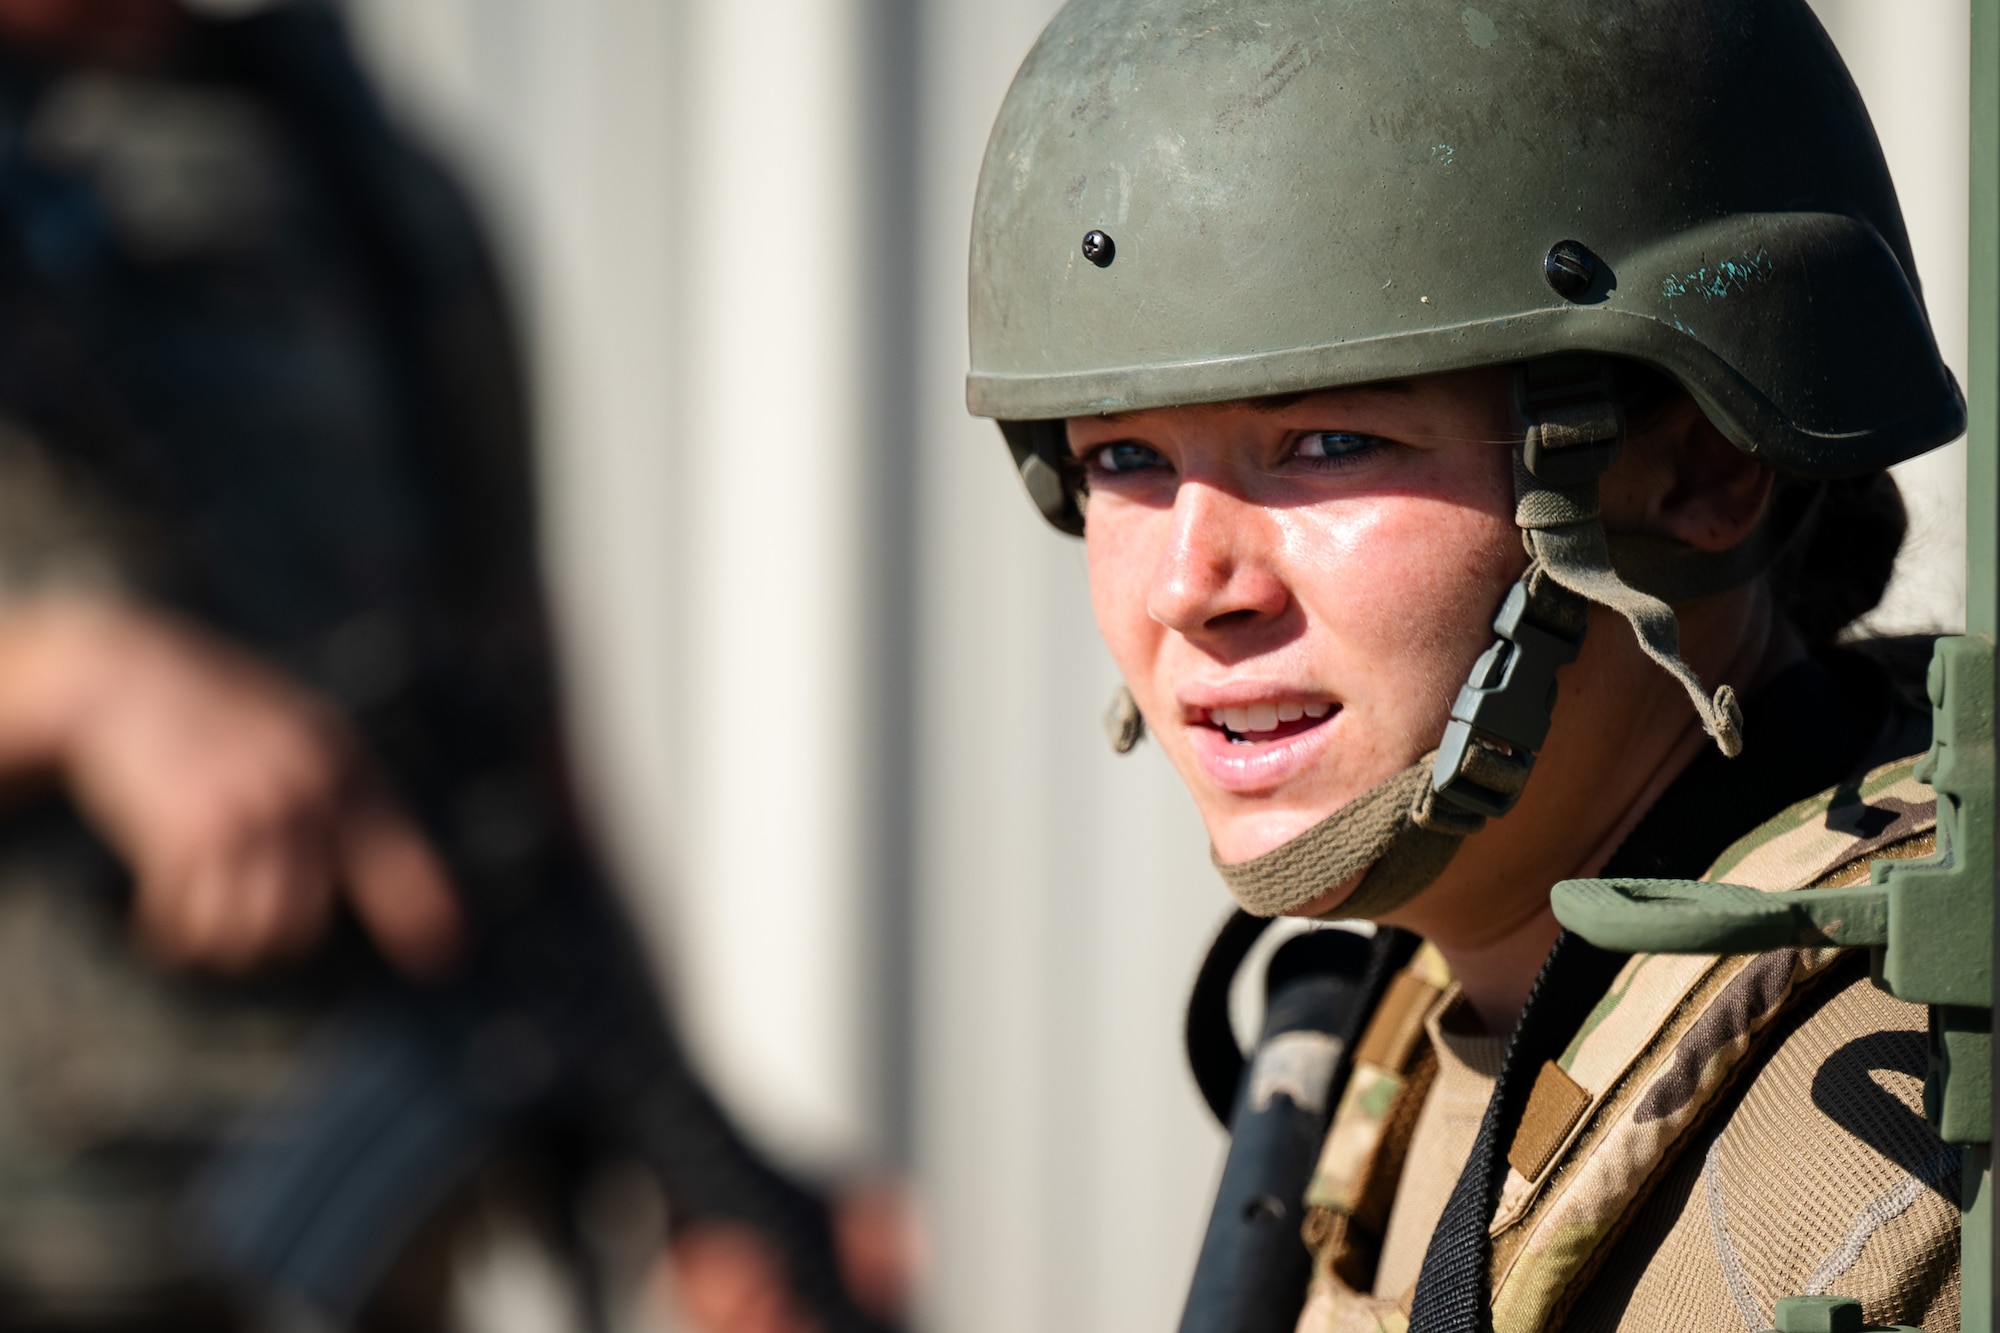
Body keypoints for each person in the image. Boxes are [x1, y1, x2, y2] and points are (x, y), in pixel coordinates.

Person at [966, 1, 1965, 1329]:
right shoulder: (1409, 1037)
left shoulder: (1900, 1154)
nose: (1186, 586)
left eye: (1327, 442)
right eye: (1123, 460)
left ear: (1704, 470)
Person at [0, 2, 905, 1330]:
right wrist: (74, 683)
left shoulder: (365, 180)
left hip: (347, 1225)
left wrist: (696, 1168)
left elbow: (516, 736)